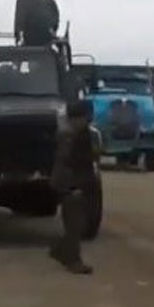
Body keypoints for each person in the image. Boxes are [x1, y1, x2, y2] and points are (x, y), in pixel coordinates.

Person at [49, 100, 97, 274]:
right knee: (74, 225)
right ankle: (73, 260)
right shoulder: (69, 136)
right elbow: (65, 163)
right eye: (86, 116)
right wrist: (72, 187)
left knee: (78, 223)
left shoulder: (82, 133)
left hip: (81, 183)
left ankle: (60, 250)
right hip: (71, 185)